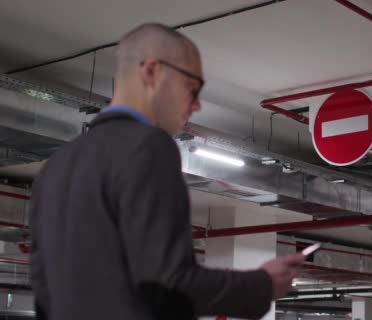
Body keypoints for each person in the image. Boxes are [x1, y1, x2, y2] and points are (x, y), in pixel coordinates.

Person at [29, 23, 305, 320]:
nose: (197, 105)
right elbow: (168, 285)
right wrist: (262, 284)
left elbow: (44, 296)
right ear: (151, 71)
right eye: (192, 86)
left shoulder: (56, 165)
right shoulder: (148, 146)